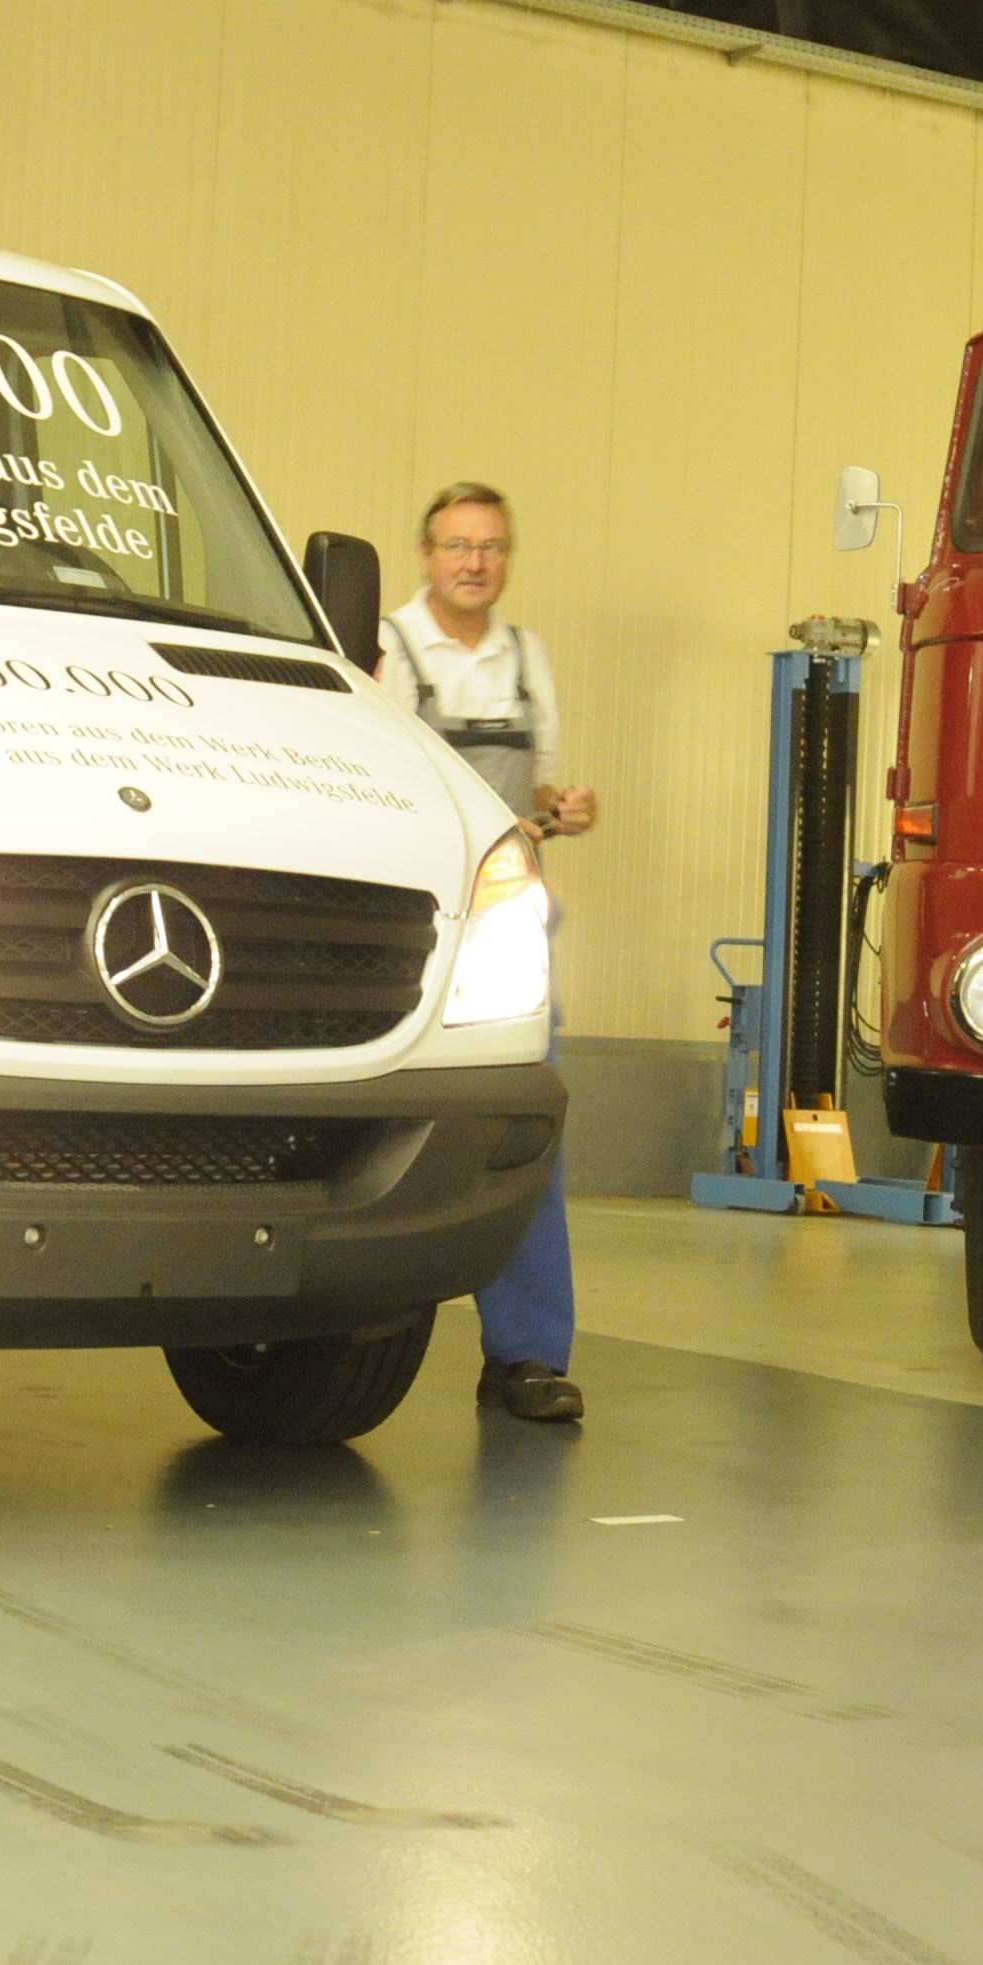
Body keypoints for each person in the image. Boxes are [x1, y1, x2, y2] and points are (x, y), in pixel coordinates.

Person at [381, 481, 598, 1424]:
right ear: (426, 554)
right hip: (406, 925)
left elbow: (544, 787)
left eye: (493, 547)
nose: (476, 562)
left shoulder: (526, 659)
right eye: (459, 545)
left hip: (505, 921)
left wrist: (567, 811)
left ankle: (528, 1355)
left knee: (522, 1135)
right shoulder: (384, 650)